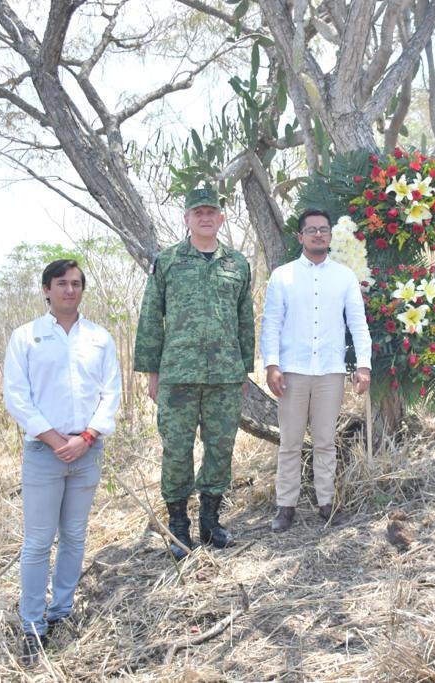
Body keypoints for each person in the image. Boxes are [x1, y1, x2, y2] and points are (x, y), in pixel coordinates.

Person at [3, 259, 122, 666]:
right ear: (46, 290)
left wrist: (86, 437)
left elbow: (111, 394)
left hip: (87, 452)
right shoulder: (26, 338)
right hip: (44, 453)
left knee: (74, 536)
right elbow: (17, 398)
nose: (70, 290)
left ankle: (62, 612)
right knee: (37, 543)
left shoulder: (99, 338)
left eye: (76, 283)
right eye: (62, 283)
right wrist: (57, 441)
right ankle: (32, 626)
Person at [134, 187, 255, 558]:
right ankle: (178, 525)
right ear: (186, 219)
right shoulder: (168, 261)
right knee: (176, 451)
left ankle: (210, 521)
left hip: (224, 376)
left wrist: (244, 370)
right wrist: (152, 372)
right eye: (197, 212)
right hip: (178, 376)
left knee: (220, 449)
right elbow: (151, 317)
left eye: (211, 212)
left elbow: (245, 320)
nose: (205, 217)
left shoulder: (237, 264)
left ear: (221, 219)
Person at [260, 209, 372, 532]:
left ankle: (327, 504)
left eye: (324, 229)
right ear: (300, 236)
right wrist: (271, 365)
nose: (318, 235)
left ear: (330, 235)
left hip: (329, 372)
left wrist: (363, 365)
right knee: (290, 442)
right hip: (292, 372)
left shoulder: (344, 277)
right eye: (311, 230)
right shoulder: (283, 276)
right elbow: (271, 324)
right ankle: (286, 507)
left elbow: (358, 324)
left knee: (325, 441)